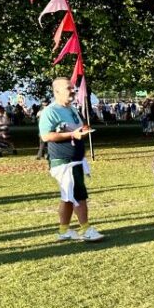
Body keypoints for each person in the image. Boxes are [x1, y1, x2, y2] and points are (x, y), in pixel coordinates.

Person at [37, 77, 104, 242]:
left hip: (76, 159)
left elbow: (76, 128)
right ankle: (86, 229)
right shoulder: (50, 111)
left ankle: (64, 230)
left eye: (73, 88)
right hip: (64, 162)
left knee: (68, 197)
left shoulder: (72, 109)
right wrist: (72, 134)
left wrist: (82, 129)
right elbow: (46, 136)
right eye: (69, 88)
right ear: (57, 92)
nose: (73, 91)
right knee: (78, 194)